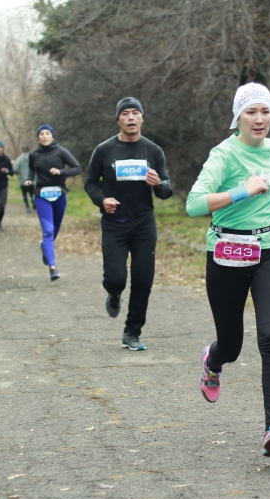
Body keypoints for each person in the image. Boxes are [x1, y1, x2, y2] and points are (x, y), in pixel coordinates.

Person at [185, 82, 270, 457]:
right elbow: (194, 204)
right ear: (238, 116)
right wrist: (244, 191)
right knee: (232, 345)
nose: (259, 119)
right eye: (251, 112)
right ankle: (212, 360)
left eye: (265, 111)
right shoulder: (223, 155)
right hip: (227, 253)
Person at [84, 97, 173, 351]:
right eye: (125, 113)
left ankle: (132, 332)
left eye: (135, 113)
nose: (131, 117)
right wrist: (102, 201)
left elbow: (166, 191)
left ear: (142, 118)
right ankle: (114, 294)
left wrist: (158, 184)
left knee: (143, 280)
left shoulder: (153, 151)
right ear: (118, 120)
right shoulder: (104, 150)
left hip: (144, 224)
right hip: (114, 224)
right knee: (116, 279)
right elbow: (89, 183)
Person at [25, 125, 81, 281]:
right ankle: (52, 268)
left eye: (47, 133)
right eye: (41, 134)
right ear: (38, 137)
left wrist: (61, 172)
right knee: (48, 231)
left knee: (54, 230)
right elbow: (32, 170)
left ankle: (45, 246)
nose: (44, 136)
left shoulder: (61, 151)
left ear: (52, 136)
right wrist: (29, 179)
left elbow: (77, 168)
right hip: (41, 195)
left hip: (59, 195)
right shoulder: (33, 154)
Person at [12, 145, 34, 214]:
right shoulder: (33, 158)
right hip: (32, 180)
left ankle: (28, 208)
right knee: (32, 193)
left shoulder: (20, 158)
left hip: (23, 180)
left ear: (22, 150)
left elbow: (15, 168)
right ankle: (34, 203)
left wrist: (16, 173)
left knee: (24, 194)